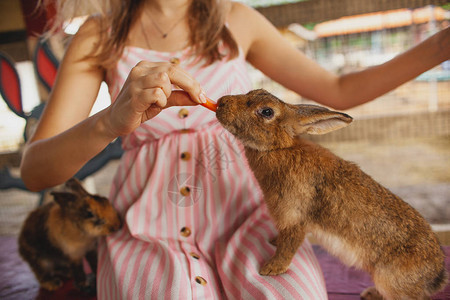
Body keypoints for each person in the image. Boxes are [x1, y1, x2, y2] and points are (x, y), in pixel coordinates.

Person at [20, 0, 449, 299]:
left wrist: (439, 45)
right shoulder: (98, 33)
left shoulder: (238, 19)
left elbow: (338, 89)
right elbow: (35, 171)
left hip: (246, 218)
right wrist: (109, 121)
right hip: (147, 226)